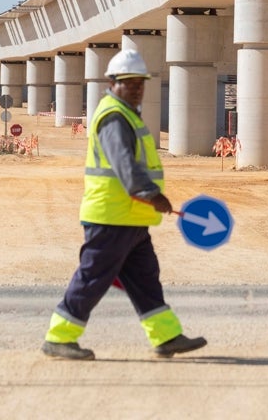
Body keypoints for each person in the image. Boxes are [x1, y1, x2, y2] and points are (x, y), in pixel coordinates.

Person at [42, 49, 206, 361]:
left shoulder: (127, 115)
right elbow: (125, 166)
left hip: (130, 218)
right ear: (112, 82)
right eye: (129, 83)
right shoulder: (114, 117)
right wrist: (151, 194)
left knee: (145, 278)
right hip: (111, 217)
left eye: (140, 83)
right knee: (93, 277)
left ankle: (166, 336)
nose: (136, 88)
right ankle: (59, 336)